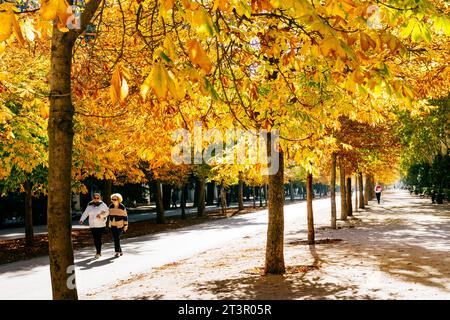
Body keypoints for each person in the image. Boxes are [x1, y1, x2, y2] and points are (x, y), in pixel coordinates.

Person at [79, 193, 109, 259]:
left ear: (100, 198)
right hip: (92, 225)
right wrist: (82, 219)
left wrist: (101, 215)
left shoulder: (103, 205)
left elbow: (107, 212)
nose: (96, 199)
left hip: (100, 224)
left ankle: (98, 252)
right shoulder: (90, 205)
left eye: (97, 198)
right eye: (95, 198)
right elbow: (85, 213)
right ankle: (98, 251)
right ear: (93, 198)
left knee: (98, 238)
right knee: (95, 239)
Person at [109, 193, 128, 257]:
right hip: (113, 224)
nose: (113, 200)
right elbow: (107, 213)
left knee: (116, 238)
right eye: (112, 199)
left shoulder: (122, 207)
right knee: (115, 238)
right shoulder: (111, 206)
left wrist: (125, 225)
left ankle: (117, 252)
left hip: (120, 225)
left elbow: (125, 216)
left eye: (115, 199)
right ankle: (120, 251)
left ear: (118, 200)